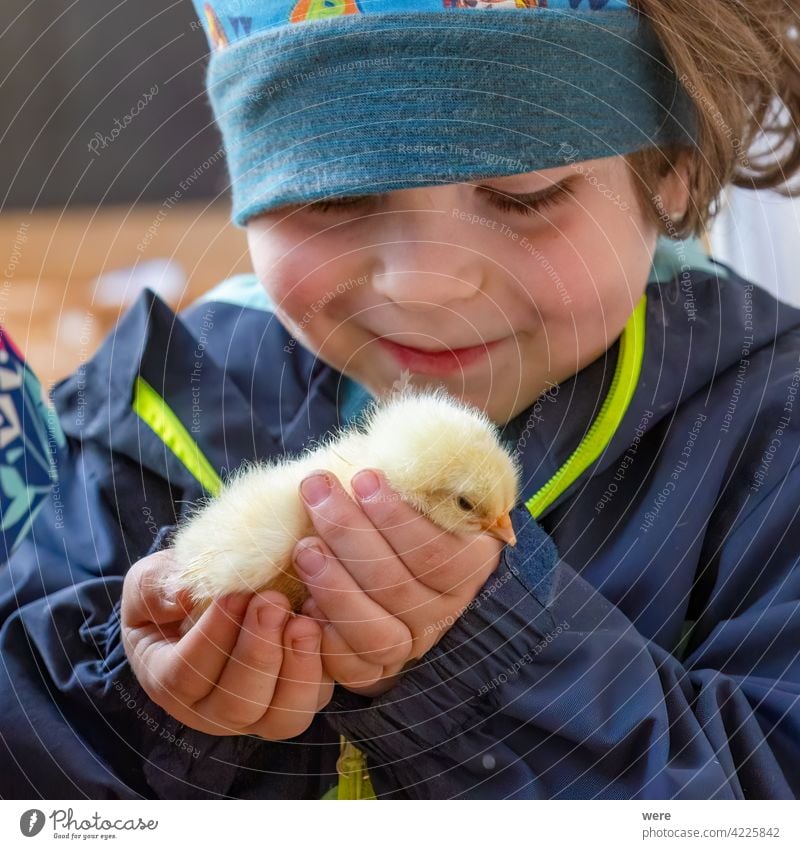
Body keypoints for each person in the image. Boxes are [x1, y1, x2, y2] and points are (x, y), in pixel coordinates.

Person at [1, 0, 800, 799]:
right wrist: (142, 708)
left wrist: (491, 663)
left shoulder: (771, 436)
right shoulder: (158, 404)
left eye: (524, 194)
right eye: (332, 197)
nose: (426, 284)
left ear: (671, 163)